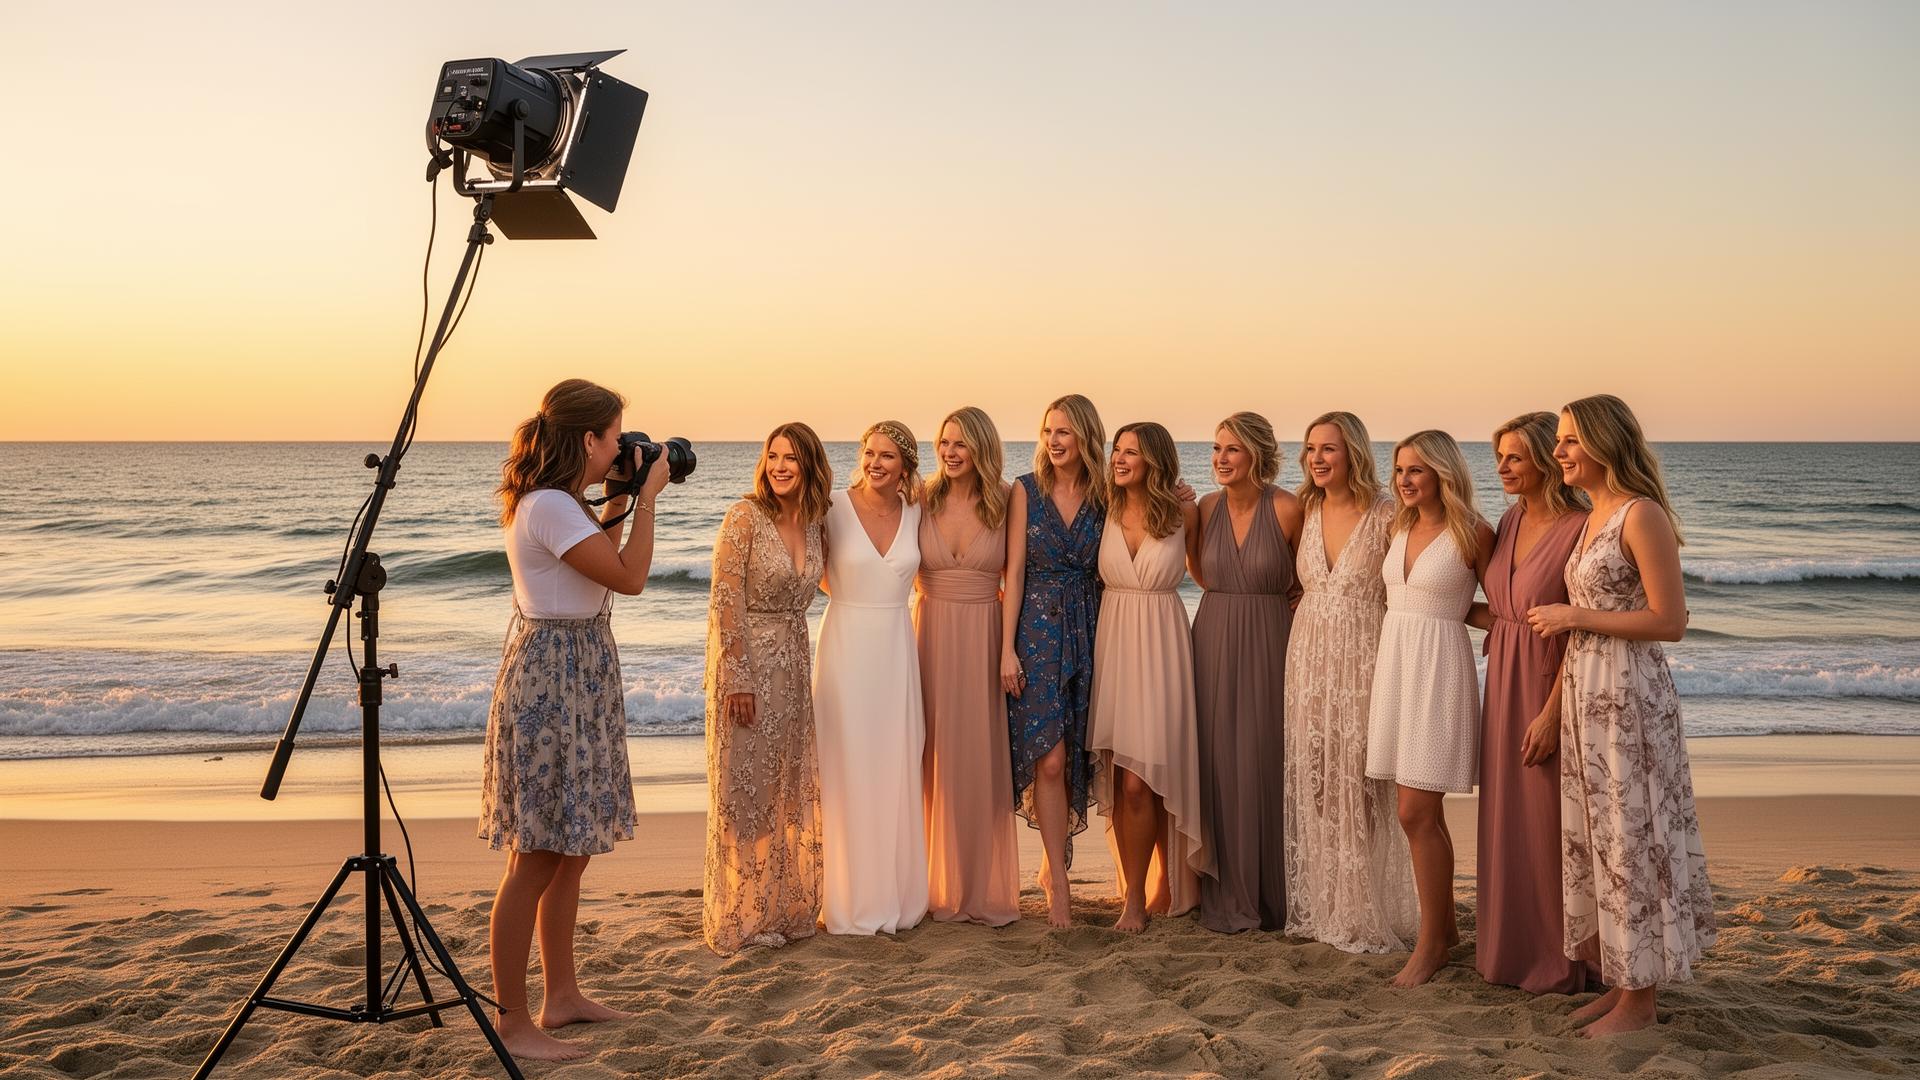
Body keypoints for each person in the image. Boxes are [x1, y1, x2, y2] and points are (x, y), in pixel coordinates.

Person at [479, 378, 671, 1061]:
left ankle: (559, 996)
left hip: (577, 670)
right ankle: (512, 1022)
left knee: (571, 850)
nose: (624, 445)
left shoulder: (564, 505)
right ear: (588, 439)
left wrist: (620, 492)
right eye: (617, 436)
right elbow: (629, 576)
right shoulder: (551, 507)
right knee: (536, 855)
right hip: (556, 678)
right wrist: (646, 499)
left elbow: (597, 559)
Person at [1530, 394, 1715, 1036]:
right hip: (1588, 693)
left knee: (1632, 836)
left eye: (1571, 440)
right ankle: (1621, 981)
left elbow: (1671, 621)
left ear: (1607, 442)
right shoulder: (1592, 515)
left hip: (1630, 696)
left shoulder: (1641, 514)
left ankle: (1641, 1001)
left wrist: (1574, 615)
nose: (1559, 452)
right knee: (1600, 836)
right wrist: (1555, 705)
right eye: (1558, 440)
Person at [1282, 411, 1418, 953]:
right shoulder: (1303, 510)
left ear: (1353, 453)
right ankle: (1326, 905)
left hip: (1366, 658)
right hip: (1309, 658)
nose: (1317, 458)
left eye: (1329, 449)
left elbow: (1413, 581)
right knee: (1317, 778)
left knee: (1361, 783)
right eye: (1311, 448)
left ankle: (1365, 907)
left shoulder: (1388, 515)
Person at [1364, 430, 1494, 987]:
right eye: (1398, 470)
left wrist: (1526, 633)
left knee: (1414, 812)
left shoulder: (1473, 533)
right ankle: (1445, 931)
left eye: (1416, 470)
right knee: (1425, 813)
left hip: (1439, 670)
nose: (1404, 480)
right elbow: (1407, 598)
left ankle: (1430, 943)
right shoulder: (1400, 525)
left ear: (1442, 471)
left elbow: (1500, 603)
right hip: (1395, 665)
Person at [1470, 411, 1590, 994]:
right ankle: (1510, 952)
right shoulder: (1509, 520)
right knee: (1507, 819)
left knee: (1550, 822)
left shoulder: (1581, 526)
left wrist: (1551, 712)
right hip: (1503, 678)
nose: (1502, 468)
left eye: (1514, 457)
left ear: (1546, 459)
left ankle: (1563, 961)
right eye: (1499, 457)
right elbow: (1502, 610)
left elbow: (1586, 630)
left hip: (1551, 684)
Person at [701, 422, 832, 955]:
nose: (780, 467)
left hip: (796, 669)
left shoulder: (817, 523)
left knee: (780, 789)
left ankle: (778, 907)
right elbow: (723, 596)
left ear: (810, 467)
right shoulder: (744, 518)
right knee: (742, 792)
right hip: (748, 667)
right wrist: (737, 675)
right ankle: (739, 916)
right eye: (773, 456)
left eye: (792, 459)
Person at [1088, 421, 1211, 931]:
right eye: (1116, 450)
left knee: (1148, 780)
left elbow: (1206, 575)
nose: (1118, 459)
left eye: (1130, 452)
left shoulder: (1184, 510)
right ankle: (1135, 891)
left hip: (1162, 642)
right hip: (1114, 640)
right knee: (1122, 777)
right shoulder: (1104, 507)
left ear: (1154, 459)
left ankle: (1149, 893)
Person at [814, 420, 931, 935]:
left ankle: (896, 895)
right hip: (845, 644)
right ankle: (845, 899)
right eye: (869, 453)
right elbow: (807, 568)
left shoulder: (917, 511)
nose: (875, 463)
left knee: (894, 764)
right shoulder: (831, 507)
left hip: (896, 649)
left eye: (888, 456)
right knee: (845, 766)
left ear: (905, 464)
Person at [1190, 411, 1303, 933]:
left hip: (1270, 636)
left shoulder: (1286, 508)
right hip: (1211, 634)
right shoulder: (1206, 507)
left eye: (1231, 450)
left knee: (1264, 756)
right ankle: (1223, 887)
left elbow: (1308, 580)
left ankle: (1271, 894)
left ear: (1256, 454)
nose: (1220, 459)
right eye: (1216, 449)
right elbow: (1198, 570)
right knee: (1215, 756)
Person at [1003, 394, 1109, 928]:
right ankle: (1061, 890)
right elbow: (1013, 573)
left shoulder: (1106, 493)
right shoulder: (1025, 490)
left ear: (1086, 435)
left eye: (1064, 432)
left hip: (1091, 629)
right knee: (1046, 756)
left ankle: (1051, 863)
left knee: (1078, 755)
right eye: (1048, 431)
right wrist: (1006, 648)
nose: (1054, 441)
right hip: (1037, 632)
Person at [917, 407, 1021, 926]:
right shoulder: (920, 496)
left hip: (984, 633)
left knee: (979, 759)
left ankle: (980, 886)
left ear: (980, 446)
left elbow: (1016, 577)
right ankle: (934, 884)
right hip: (927, 633)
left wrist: (1008, 650)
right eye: (943, 442)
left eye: (960, 443)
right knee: (932, 756)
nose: (950, 453)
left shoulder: (1008, 499)